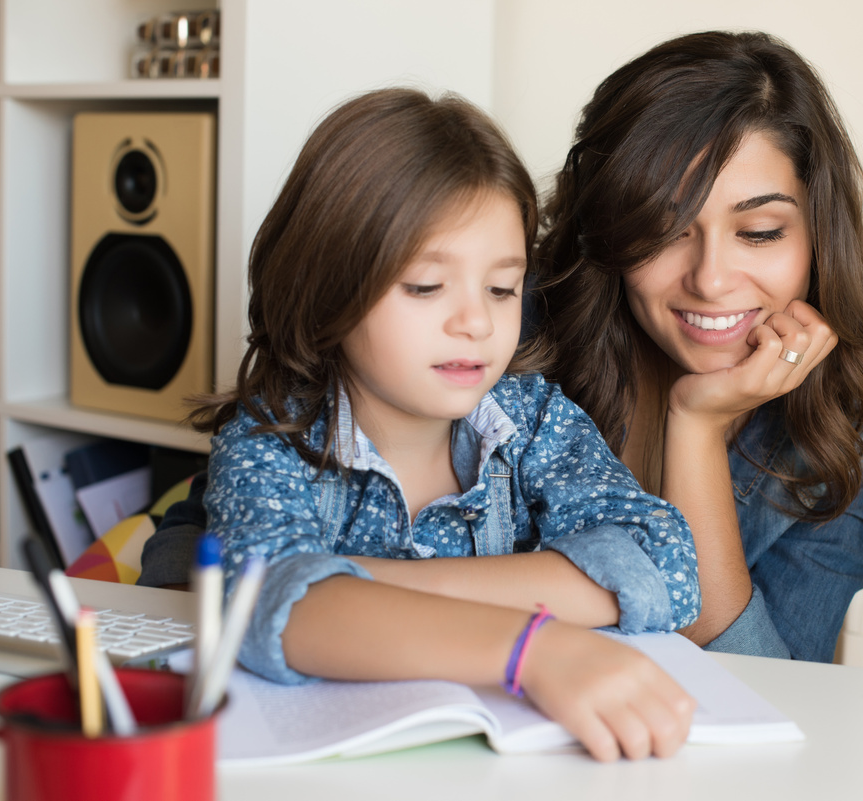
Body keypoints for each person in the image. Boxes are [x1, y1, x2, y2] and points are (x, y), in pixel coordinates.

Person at [183, 87, 702, 762]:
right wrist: (534, 643)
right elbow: (271, 605)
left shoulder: (532, 418)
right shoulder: (271, 439)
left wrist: (357, 582)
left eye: (501, 288)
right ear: (327, 285)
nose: (477, 323)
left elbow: (665, 562)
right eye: (426, 287)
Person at [531, 30, 863, 662]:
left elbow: (767, 688)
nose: (710, 280)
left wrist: (696, 425)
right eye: (663, 230)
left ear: (819, 236)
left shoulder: (860, 441)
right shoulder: (505, 347)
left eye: (759, 232)